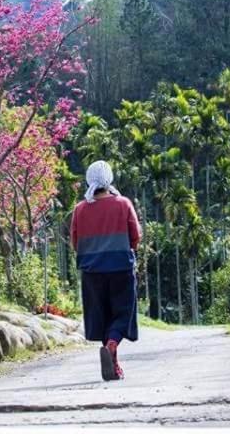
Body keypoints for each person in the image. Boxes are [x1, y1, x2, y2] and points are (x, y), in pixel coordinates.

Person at [70, 160, 142, 381]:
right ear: (109, 179)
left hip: (92, 272)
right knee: (123, 312)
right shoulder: (123, 204)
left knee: (102, 316)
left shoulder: (80, 209)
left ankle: (114, 363)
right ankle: (112, 345)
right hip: (120, 267)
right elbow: (135, 237)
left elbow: (75, 241)